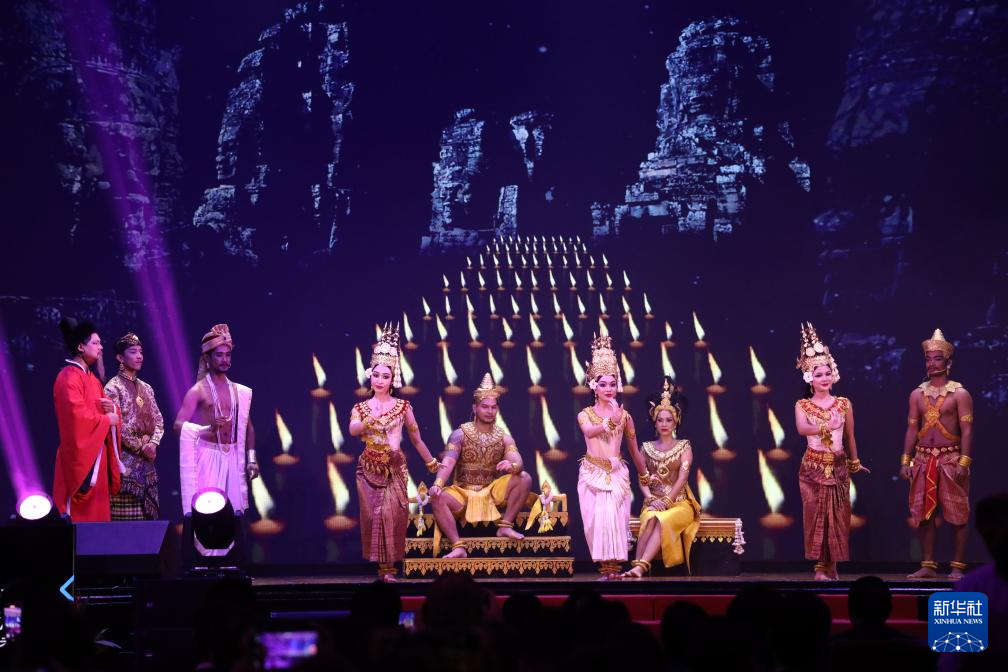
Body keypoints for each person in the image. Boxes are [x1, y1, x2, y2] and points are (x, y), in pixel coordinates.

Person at [348, 323, 440, 581]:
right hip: (368, 469)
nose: (379, 380)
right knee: (374, 517)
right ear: (370, 376)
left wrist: (432, 463)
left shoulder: (402, 407)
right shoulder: (361, 408)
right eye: (376, 375)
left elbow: (417, 439)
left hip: (395, 468)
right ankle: (383, 568)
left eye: (385, 376)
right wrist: (367, 421)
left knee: (391, 514)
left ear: (393, 379)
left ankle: (389, 569)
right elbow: (353, 429)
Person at [793, 323, 870, 581]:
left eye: (828, 373)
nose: (824, 378)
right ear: (809, 378)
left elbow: (849, 436)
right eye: (818, 375)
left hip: (838, 467)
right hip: (813, 468)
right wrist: (827, 425)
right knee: (816, 516)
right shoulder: (803, 405)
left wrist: (855, 462)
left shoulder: (844, 404)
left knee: (837, 516)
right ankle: (819, 568)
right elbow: (802, 429)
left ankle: (833, 567)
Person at [173, 324, 258, 555]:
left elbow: (248, 427)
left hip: (233, 458)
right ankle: (208, 564)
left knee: (234, 513)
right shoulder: (198, 391)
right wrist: (205, 430)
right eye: (219, 355)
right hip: (208, 458)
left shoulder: (239, 391)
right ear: (207, 359)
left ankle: (230, 564)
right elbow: (178, 426)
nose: (225, 360)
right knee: (208, 512)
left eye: (228, 355)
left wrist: (251, 460)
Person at [429, 373, 534, 557]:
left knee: (524, 478)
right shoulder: (460, 434)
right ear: (475, 407)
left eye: (493, 407)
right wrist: (438, 484)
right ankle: (458, 546)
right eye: (485, 406)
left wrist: (513, 466)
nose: (489, 411)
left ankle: (505, 526)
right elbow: (449, 461)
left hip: (490, 493)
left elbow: (518, 461)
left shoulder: (504, 437)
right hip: (463, 493)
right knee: (437, 497)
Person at [576, 334, 651, 579]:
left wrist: (646, 476)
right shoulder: (585, 414)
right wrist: (611, 421)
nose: (608, 389)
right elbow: (589, 431)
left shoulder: (625, 417)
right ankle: (605, 571)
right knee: (597, 524)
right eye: (603, 384)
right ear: (593, 386)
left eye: (612, 383)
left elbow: (634, 449)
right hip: (592, 474)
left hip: (617, 474)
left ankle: (613, 573)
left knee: (616, 525)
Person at [902, 329, 974, 580]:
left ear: (948, 362)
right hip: (922, 459)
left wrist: (964, 461)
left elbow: (967, 430)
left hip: (950, 459)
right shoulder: (917, 394)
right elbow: (912, 429)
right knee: (925, 515)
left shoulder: (960, 394)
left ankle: (957, 567)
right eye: (928, 359)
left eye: (937, 359)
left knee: (957, 515)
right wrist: (906, 459)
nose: (932, 363)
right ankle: (928, 565)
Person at [623, 378, 700, 578]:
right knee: (650, 518)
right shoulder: (646, 448)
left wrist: (666, 501)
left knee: (661, 518)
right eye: (660, 420)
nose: (664, 424)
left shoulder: (684, 446)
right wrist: (650, 498)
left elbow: (682, 477)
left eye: (669, 420)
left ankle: (640, 567)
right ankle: (636, 567)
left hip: (679, 504)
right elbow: (642, 478)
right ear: (654, 422)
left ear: (676, 422)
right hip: (653, 502)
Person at [52, 317, 124, 521]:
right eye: (96, 342)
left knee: (98, 522)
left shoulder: (92, 380)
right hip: (81, 460)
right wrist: (106, 420)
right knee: (79, 524)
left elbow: (106, 410)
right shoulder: (68, 377)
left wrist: (113, 410)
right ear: (81, 347)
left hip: (97, 458)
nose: (101, 347)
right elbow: (76, 418)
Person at [103, 332, 163, 520]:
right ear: (120, 358)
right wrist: (141, 447)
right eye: (133, 352)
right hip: (125, 465)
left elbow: (159, 420)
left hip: (148, 463)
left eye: (141, 352)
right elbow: (116, 425)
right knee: (127, 525)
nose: (139, 356)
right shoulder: (112, 388)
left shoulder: (147, 388)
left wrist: (153, 444)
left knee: (148, 524)